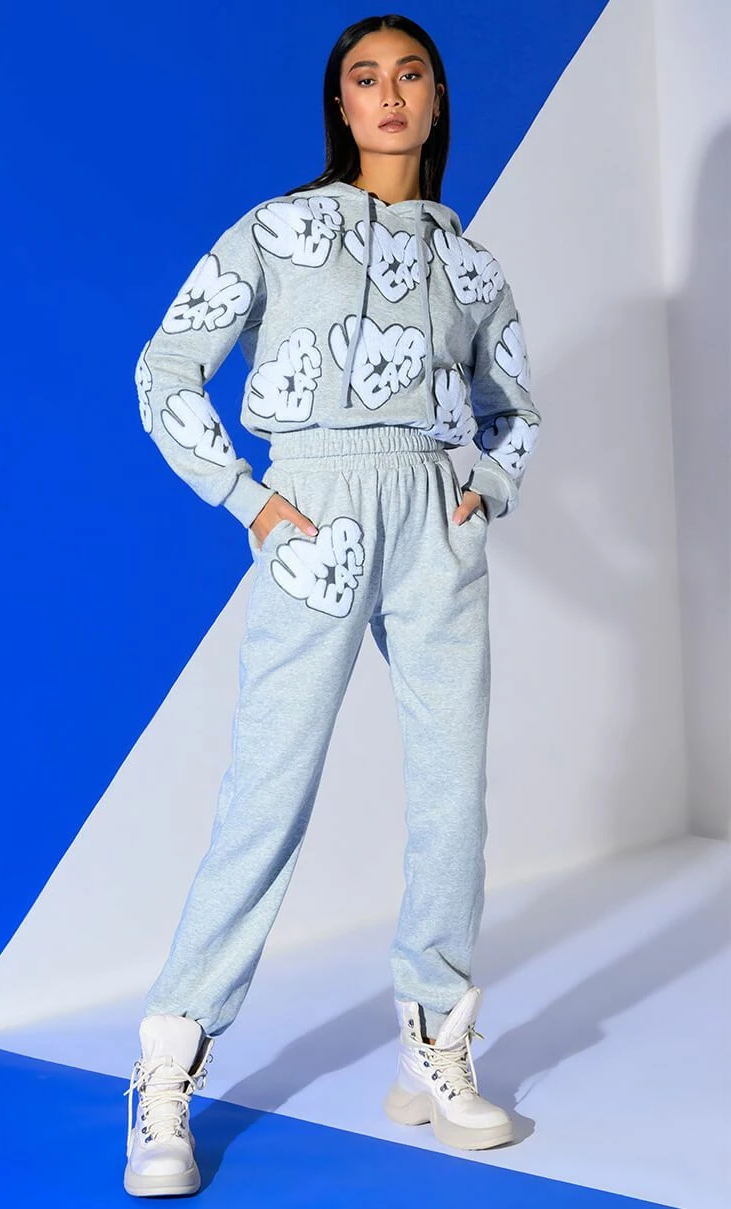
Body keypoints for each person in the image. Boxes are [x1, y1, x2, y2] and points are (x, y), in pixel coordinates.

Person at [124, 13, 541, 1197]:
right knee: (268, 793)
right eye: (366, 77)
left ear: (437, 98)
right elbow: (165, 368)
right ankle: (165, 1073)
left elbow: (514, 409)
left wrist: (484, 486)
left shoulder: (470, 262)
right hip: (313, 509)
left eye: (410, 74)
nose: (389, 94)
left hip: (432, 519)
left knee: (450, 794)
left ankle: (432, 1050)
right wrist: (250, 500)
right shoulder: (278, 228)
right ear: (341, 104)